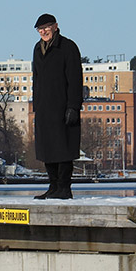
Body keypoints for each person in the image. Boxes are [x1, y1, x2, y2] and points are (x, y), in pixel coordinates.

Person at [31, 13, 84, 200]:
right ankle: (53, 187)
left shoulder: (68, 47)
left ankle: (64, 188)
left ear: (55, 26)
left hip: (63, 107)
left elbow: (75, 79)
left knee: (63, 150)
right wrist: (36, 104)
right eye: (40, 29)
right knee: (47, 150)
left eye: (46, 27)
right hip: (44, 108)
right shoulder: (38, 49)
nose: (43, 31)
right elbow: (35, 79)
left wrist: (73, 106)